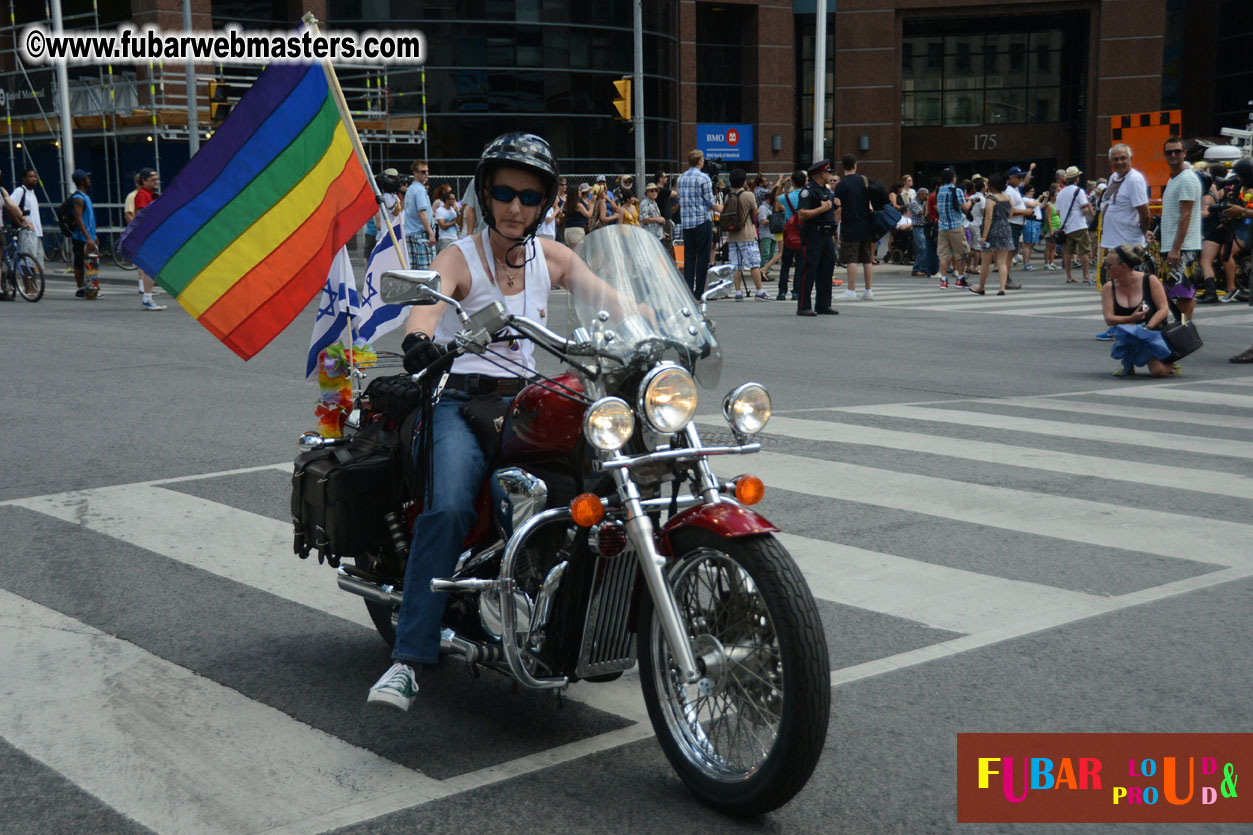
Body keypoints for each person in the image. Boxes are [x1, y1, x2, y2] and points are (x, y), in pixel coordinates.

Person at [368, 132, 632, 710]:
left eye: (530, 196)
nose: (516, 207)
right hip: (458, 398)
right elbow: (429, 302)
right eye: (506, 193)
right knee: (453, 504)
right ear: (487, 194)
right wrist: (418, 337)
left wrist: (654, 323)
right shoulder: (459, 256)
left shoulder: (554, 256)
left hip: (525, 399)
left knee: (605, 478)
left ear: (546, 203)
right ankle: (409, 658)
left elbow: (611, 299)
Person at [1102, 244, 1172, 377]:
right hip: (1128, 333)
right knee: (1129, 327)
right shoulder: (1108, 288)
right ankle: (1128, 360)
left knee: (1159, 372)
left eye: (1109, 265)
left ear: (1123, 266)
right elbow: (1109, 319)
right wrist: (1131, 318)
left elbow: (1163, 309)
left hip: (1153, 332)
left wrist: (1147, 328)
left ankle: (1171, 358)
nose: (1105, 268)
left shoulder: (1150, 280)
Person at [1158, 136, 1203, 340]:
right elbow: (1176, 215)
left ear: (1185, 153)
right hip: (1174, 244)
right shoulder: (1174, 178)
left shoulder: (1186, 179)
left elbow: (1186, 215)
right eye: (1169, 152)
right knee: (1177, 291)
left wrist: (1176, 248)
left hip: (1183, 247)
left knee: (1183, 294)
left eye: (1177, 151)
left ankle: (1185, 334)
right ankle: (1184, 330)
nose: (1174, 155)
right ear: (1165, 155)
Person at [795, 159, 838, 316]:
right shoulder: (808, 191)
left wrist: (836, 207)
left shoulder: (826, 191)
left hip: (827, 235)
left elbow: (831, 213)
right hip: (813, 234)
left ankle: (823, 304)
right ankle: (803, 305)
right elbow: (802, 214)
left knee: (827, 270)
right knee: (809, 269)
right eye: (828, 172)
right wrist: (821, 208)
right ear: (821, 173)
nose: (830, 175)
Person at [831, 154, 874, 300]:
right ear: (855, 165)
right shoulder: (864, 181)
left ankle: (851, 291)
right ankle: (868, 290)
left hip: (850, 225)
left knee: (852, 260)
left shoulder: (841, 185)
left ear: (843, 167)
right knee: (867, 259)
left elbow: (837, 208)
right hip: (867, 224)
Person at [676, 149, 718, 298]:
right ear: (700, 161)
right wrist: (722, 208)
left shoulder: (681, 179)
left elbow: (681, 199)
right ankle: (699, 291)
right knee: (703, 257)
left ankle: (687, 290)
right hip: (701, 220)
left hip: (687, 222)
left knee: (689, 257)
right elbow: (710, 202)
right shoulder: (704, 178)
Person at [725, 169, 768, 301]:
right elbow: (756, 212)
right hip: (747, 234)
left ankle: (738, 293)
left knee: (736, 266)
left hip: (732, 236)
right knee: (754, 264)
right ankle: (759, 291)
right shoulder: (748, 195)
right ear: (744, 181)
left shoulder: (727, 196)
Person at [130, 168, 167, 310]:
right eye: (153, 180)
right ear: (144, 181)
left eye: (157, 179)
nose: (156, 182)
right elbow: (142, 216)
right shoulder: (143, 195)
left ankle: (147, 298)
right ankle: (147, 298)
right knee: (151, 268)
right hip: (149, 237)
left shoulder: (151, 195)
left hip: (152, 236)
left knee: (152, 268)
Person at [971, 172, 1014, 295]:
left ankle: (981, 287)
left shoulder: (990, 199)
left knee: (986, 262)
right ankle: (1002, 288)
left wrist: (984, 236)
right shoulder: (1009, 198)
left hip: (991, 232)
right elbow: (1010, 214)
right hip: (1005, 230)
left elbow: (988, 219)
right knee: (1001, 262)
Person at [1055, 166, 1094, 284]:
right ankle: (1086, 276)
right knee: (1084, 250)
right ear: (1076, 178)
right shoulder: (1079, 191)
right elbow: (1085, 209)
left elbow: (1057, 212)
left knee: (1068, 251)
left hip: (1066, 227)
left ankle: (1069, 276)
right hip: (1079, 225)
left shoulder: (1061, 193)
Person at [933, 167, 970, 289]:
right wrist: (972, 202)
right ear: (953, 178)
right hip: (956, 226)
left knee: (943, 255)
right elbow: (965, 208)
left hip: (942, 227)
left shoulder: (939, 191)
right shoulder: (957, 191)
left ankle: (943, 281)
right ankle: (960, 279)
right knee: (961, 253)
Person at [68, 169, 100, 300]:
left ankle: (90, 288)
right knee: (80, 262)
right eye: (87, 178)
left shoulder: (85, 197)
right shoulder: (78, 198)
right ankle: (80, 288)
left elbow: (89, 219)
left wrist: (94, 236)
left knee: (90, 263)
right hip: (81, 238)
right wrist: (87, 237)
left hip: (89, 237)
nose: (89, 180)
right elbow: (78, 219)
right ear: (82, 181)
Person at [776, 170, 806, 300]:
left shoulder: (787, 197)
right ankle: (796, 292)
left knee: (785, 264)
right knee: (800, 264)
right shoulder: (807, 196)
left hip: (788, 233)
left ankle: (782, 292)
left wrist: (783, 183)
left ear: (792, 182)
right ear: (805, 181)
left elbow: (777, 197)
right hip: (803, 233)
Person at [404, 161, 436, 269]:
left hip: (410, 233)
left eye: (427, 171)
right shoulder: (420, 190)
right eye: (423, 172)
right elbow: (422, 213)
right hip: (421, 233)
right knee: (427, 271)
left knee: (413, 271)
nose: (426, 174)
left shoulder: (410, 189)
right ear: (415, 173)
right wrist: (431, 232)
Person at [8, 168, 42, 269]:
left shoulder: (32, 193)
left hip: (36, 233)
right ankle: (28, 284)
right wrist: (20, 223)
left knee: (36, 266)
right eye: (30, 176)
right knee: (27, 265)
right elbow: (9, 207)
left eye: (35, 176)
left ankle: (34, 285)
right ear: (24, 179)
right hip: (27, 234)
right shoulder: (20, 191)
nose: (34, 179)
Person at [909, 187, 929, 276]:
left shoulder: (923, 202)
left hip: (924, 227)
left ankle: (923, 268)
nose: (926, 196)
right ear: (919, 194)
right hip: (917, 227)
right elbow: (923, 213)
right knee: (922, 248)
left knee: (926, 248)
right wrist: (928, 203)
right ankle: (916, 268)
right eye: (925, 194)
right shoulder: (914, 203)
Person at [433, 185, 461, 253]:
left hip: (455, 237)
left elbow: (460, 223)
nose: (454, 201)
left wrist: (458, 212)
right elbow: (442, 226)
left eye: (454, 199)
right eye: (452, 199)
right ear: (447, 201)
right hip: (445, 239)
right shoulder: (440, 210)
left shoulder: (453, 210)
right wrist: (453, 222)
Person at [564, 182, 591, 251]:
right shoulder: (578, 205)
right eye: (579, 190)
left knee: (571, 254)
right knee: (578, 255)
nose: (581, 191)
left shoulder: (566, 204)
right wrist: (593, 204)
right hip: (577, 231)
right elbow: (588, 215)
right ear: (575, 192)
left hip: (567, 230)